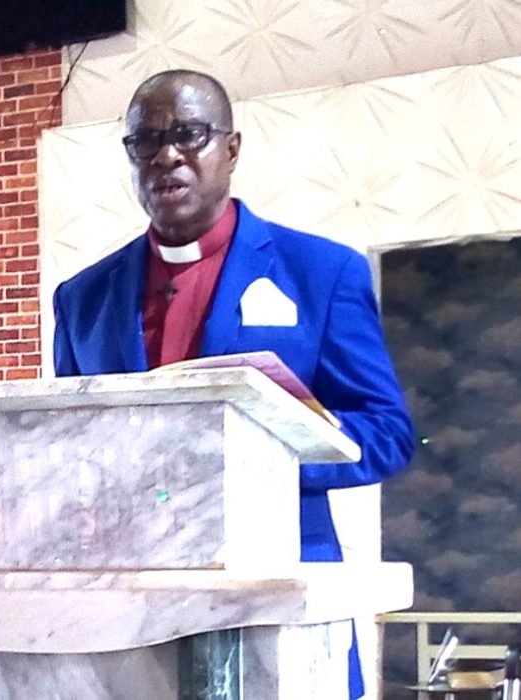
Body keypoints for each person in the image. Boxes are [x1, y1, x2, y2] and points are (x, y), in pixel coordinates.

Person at [53, 69, 415, 699]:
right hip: (124, 613)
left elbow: (386, 433)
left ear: (232, 148)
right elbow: (70, 445)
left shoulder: (321, 272)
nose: (167, 155)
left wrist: (250, 457)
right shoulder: (82, 298)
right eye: (147, 141)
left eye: (189, 134)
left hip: (278, 597)